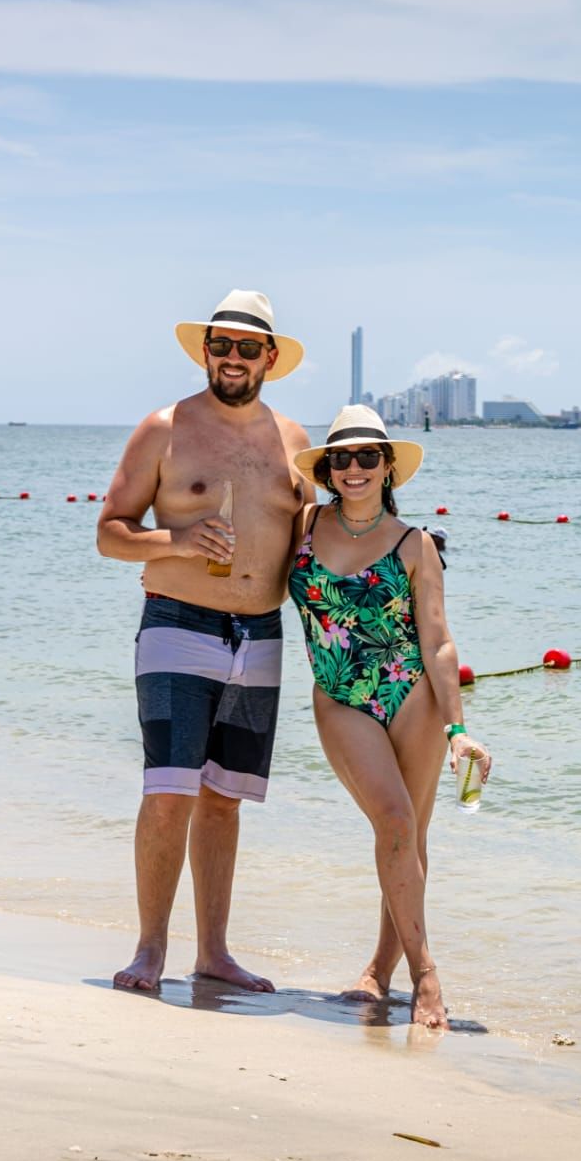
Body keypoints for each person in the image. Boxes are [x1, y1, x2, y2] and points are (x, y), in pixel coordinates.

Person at [97, 289, 312, 994]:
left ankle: (213, 953)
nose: (232, 357)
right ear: (205, 350)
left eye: (248, 347)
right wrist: (179, 540)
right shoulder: (165, 428)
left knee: (225, 797)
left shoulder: (294, 442)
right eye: (220, 344)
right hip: (177, 625)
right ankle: (149, 950)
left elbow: (316, 542)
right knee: (169, 790)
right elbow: (111, 533)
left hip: (261, 633)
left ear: (270, 359)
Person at [288, 405, 490, 1029]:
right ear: (326, 469)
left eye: (367, 457)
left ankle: (380, 971)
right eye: (341, 458)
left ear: (388, 467)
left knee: (407, 835)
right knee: (395, 820)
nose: (353, 468)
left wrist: (458, 729)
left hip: (413, 695)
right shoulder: (301, 523)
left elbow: (438, 642)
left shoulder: (414, 544)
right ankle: (427, 974)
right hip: (341, 696)